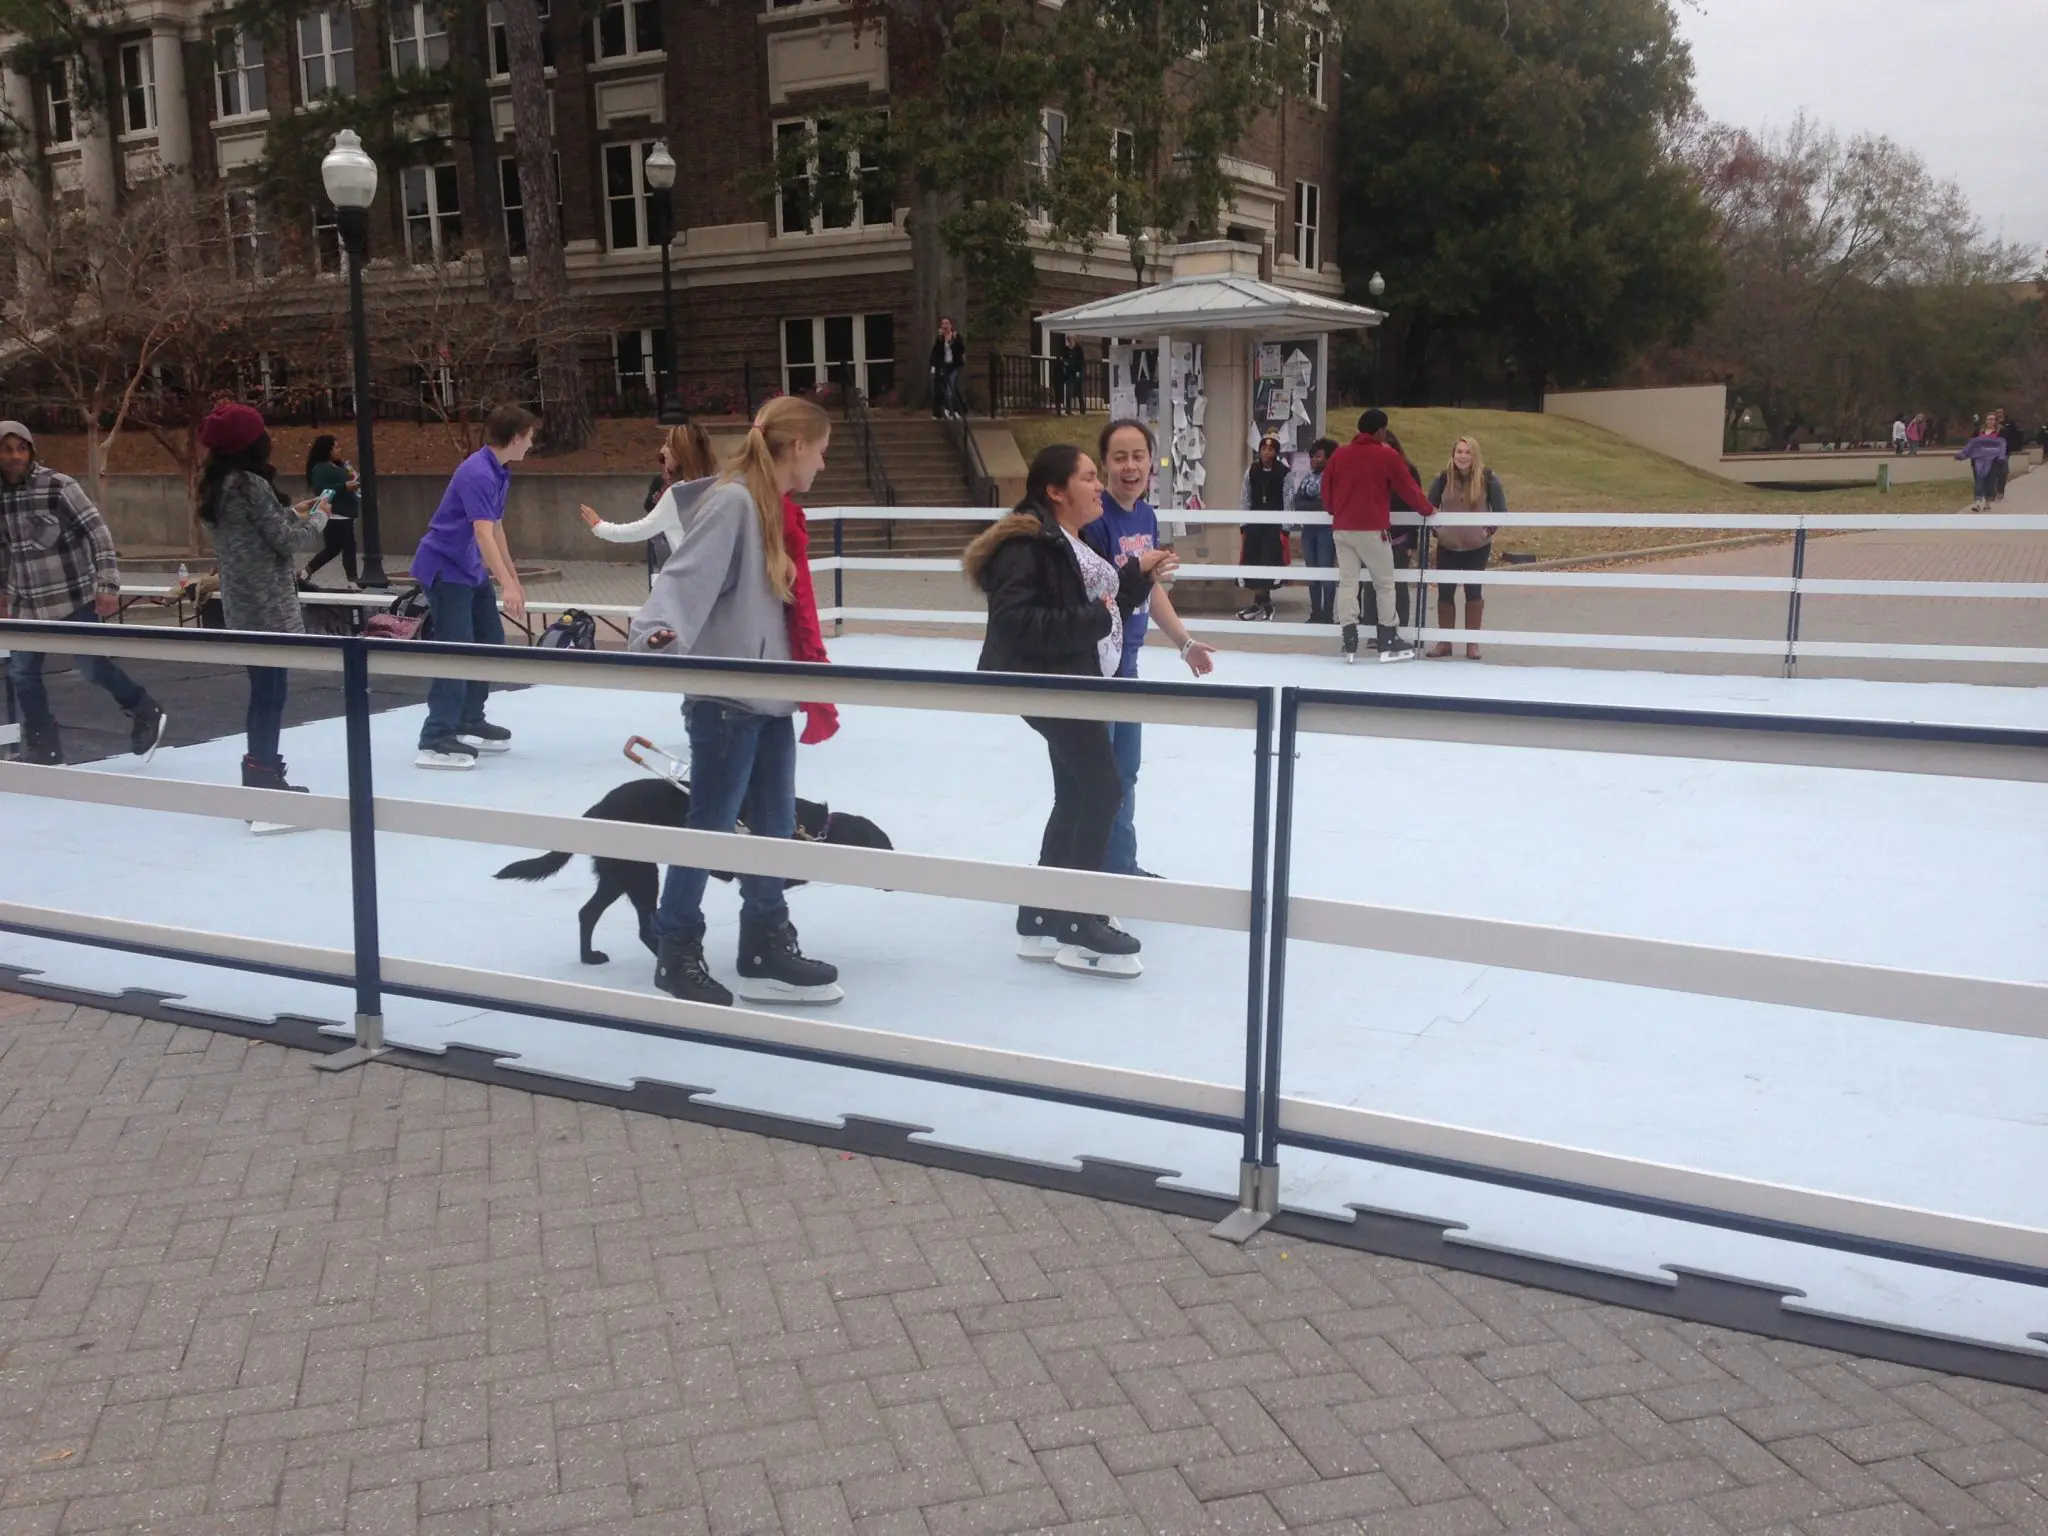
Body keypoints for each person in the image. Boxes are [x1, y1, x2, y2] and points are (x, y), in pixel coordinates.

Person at [628, 396, 843, 1008]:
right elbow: (684, 578)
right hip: (727, 699)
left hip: (769, 695)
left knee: (774, 828)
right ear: (796, 446)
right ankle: (675, 947)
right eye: (821, 451)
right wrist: (658, 632)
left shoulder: (773, 507)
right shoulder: (734, 503)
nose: (822, 465)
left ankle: (763, 943)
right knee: (712, 828)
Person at [963, 445, 1172, 972]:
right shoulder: (1029, 545)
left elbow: (1105, 607)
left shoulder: (1070, 538)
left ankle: (1040, 916)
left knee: (1079, 793)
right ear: (1055, 491)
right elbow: (1016, 623)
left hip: (1074, 682)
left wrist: (1138, 577)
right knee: (1102, 789)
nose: (1100, 486)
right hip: (1051, 685)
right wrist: (1093, 620)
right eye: (1088, 477)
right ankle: (1079, 920)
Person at [1082, 419, 1217, 878]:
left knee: (1126, 772)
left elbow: (1150, 587)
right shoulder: (1095, 521)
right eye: (1119, 457)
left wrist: (1184, 643)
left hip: (1130, 663)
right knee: (1096, 778)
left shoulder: (1146, 516)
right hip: (1097, 665)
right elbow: (1100, 592)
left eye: (1138, 456)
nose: (1130, 466)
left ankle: (1122, 866)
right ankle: (1085, 873)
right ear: (1104, 464)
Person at [0, 419, 165, 766]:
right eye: (7, 449)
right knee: (22, 673)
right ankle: (44, 745)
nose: (15, 456)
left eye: (21, 448)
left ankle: (143, 708)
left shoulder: (58, 486)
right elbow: (4, 551)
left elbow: (98, 533)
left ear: (31, 451)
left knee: (91, 667)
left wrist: (107, 585)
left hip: (73, 597)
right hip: (27, 604)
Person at [195, 403, 329, 793]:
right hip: (268, 605)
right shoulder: (250, 484)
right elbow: (285, 541)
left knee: (263, 691)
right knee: (272, 694)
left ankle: (261, 768)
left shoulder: (220, 485)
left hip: (242, 604)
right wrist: (320, 517)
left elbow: (256, 529)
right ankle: (263, 773)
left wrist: (292, 511)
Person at [411, 404, 535, 769]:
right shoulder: (478, 472)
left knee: (490, 641)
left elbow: (496, 528)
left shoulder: (499, 470)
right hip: (445, 568)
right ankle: (436, 735)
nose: (532, 444)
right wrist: (505, 585)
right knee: (458, 649)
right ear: (515, 438)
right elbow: (482, 533)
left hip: (469, 568)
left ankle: (469, 717)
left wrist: (512, 579)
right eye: (530, 437)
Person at [1320, 409, 1433, 662]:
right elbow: (1407, 487)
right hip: (1372, 529)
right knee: (1384, 584)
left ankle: (1349, 637)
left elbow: (1326, 489)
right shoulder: (1386, 455)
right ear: (1381, 430)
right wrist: (1427, 509)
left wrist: (1334, 509)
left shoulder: (1340, 455)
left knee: (1348, 583)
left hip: (1343, 528)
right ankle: (1388, 637)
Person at [579, 421, 715, 584]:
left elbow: (641, 529)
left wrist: (600, 527)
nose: (662, 451)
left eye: (668, 444)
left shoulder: (678, 494)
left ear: (682, 452)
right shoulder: (719, 488)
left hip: (691, 584)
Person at [1425, 435, 1505, 660]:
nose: (1462, 456)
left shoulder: (1488, 478)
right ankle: (1445, 642)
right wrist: (1438, 530)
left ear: (1474, 455)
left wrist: (1487, 531)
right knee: (1445, 592)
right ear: (1453, 454)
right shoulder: (1443, 478)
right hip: (1448, 546)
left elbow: (1500, 510)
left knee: (1473, 592)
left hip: (1476, 546)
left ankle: (1472, 643)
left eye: (1467, 452)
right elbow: (1429, 506)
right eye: (1459, 452)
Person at [1237, 434, 1290, 621]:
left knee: (1268, 561)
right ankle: (1259, 604)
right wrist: (1244, 523)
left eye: (1270, 449)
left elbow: (1288, 500)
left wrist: (1286, 527)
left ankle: (1265, 604)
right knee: (1253, 561)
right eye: (1263, 449)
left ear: (1276, 452)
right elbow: (1245, 497)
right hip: (1254, 524)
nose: (1266, 452)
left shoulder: (1284, 473)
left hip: (1274, 526)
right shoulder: (1252, 471)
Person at [300, 435, 361, 589]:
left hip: (344, 511)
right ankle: (353, 580)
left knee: (333, 548)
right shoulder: (320, 468)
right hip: (335, 512)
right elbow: (321, 489)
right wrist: (344, 486)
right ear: (327, 450)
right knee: (348, 546)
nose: (340, 450)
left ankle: (305, 572)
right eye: (336, 447)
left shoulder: (338, 465)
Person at [1294, 439, 1338, 625]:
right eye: (1313, 456)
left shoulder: (1334, 478)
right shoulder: (1307, 478)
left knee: (1326, 571)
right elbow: (1297, 501)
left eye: (1319, 456)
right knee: (1312, 572)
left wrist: (1313, 506)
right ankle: (1315, 613)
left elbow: (1327, 504)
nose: (1314, 459)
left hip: (1326, 530)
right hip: (1309, 529)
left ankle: (1327, 614)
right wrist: (1313, 506)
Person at [1955, 416, 2007, 511]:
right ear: (1985, 421)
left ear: (1995, 421)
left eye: (1992, 419)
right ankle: (1977, 503)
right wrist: (1962, 455)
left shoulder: (2000, 433)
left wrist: (2001, 457)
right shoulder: (1978, 432)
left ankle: (1987, 502)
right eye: (1988, 419)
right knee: (1979, 480)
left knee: (1991, 481)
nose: (1990, 421)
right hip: (1978, 460)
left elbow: (2002, 446)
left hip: (1993, 460)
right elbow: (1970, 445)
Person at [929, 316, 966, 419]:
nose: (945, 326)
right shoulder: (940, 338)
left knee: (952, 387)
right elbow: (935, 353)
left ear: (951, 325)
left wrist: (951, 343)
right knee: (942, 388)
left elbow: (961, 350)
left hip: (953, 365)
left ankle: (956, 409)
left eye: (947, 324)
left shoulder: (955, 337)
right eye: (943, 324)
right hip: (943, 365)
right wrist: (933, 365)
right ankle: (942, 411)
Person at [1996, 411, 2024, 502]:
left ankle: (2000, 490)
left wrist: (2014, 446)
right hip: (1993, 450)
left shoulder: (2009, 423)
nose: (1999, 414)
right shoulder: (1992, 422)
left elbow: (2015, 435)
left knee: (2003, 470)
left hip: (2005, 450)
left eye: (2000, 412)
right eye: (1997, 412)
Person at [1059, 337, 1087, 415]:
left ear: (1073, 340)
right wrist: (1065, 363)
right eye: (1068, 340)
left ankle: (1082, 409)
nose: (1070, 341)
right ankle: (1068, 410)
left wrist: (1079, 371)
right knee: (1069, 392)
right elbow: (1063, 358)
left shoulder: (1078, 349)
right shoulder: (1066, 349)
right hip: (1069, 373)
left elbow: (1081, 360)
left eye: (1071, 339)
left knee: (1079, 392)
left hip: (1077, 372)